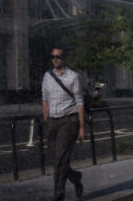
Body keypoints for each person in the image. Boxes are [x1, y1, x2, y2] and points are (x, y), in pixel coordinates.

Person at [42, 47, 85, 200]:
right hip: (53, 122)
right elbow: (45, 100)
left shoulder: (73, 76)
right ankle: (75, 177)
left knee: (60, 158)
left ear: (64, 58)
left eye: (58, 57)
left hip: (68, 120)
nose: (55, 59)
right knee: (56, 159)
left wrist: (81, 127)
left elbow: (80, 102)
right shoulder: (47, 76)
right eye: (53, 56)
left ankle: (59, 194)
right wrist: (46, 120)